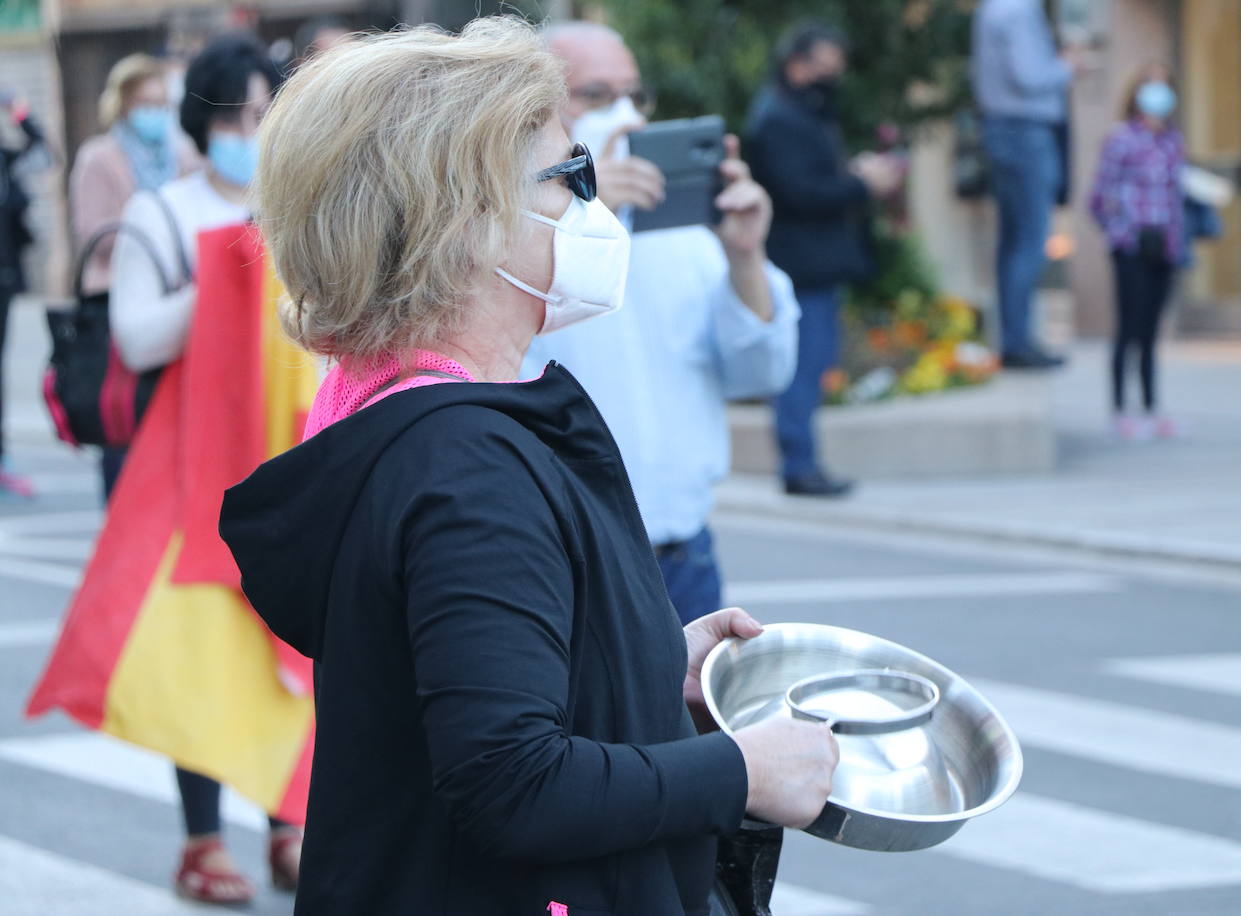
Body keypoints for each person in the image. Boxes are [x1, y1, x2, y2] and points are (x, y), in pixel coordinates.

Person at [218, 20, 838, 915]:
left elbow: (464, 695)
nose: (594, 206)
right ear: (465, 224)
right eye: (570, 178)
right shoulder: (465, 460)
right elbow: (511, 784)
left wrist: (646, 661)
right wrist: (741, 769)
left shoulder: (410, 421)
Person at [107, 34, 301, 906]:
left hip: (284, 458)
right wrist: (226, 276)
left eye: (264, 113)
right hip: (188, 469)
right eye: (236, 114)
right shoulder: (165, 212)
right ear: (204, 119)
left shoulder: (296, 209)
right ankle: (202, 839)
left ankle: (288, 825)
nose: (250, 131)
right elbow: (138, 337)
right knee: (202, 655)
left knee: (292, 646)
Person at [524, 22, 799, 625]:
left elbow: (761, 371)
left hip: (682, 558)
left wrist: (745, 256)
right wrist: (578, 206)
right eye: (595, 95)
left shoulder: (687, 235)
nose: (624, 114)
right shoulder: (508, 229)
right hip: (558, 562)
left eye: (635, 96)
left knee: (690, 720)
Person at [746, 22, 902, 498]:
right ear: (797, 64)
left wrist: (852, 174)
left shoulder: (799, 112)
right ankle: (799, 464)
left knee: (812, 365)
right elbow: (799, 192)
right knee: (800, 368)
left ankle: (804, 461)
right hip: (800, 265)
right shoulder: (778, 118)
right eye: (825, 65)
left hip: (815, 262)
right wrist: (862, 185)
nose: (833, 75)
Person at [69, 54, 201, 496]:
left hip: (176, 302)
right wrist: (151, 226)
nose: (153, 112)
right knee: (123, 415)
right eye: (144, 101)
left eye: (161, 102)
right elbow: (94, 231)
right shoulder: (99, 158)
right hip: (115, 301)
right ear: (122, 104)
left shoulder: (181, 153)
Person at [973, 0, 1080, 369]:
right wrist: (1068, 67)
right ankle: (1018, 342)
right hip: (1023, 131)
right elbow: (1029, 76)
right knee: (1030, 240)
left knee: (1014, 242)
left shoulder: (996, 8)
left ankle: (1014, 339)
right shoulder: (1017, 10)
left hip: (1007, 130)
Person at [1089, 63, 1186, 441]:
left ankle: (1151, 409)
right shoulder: (1120, 140)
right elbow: (1098, 199)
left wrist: (1176, 242)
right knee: (1127, 329)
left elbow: (1176, 198)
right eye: (1151, 85)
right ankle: (1119, 411)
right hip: (1130, 247)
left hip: (1164, 248)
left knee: (1150, 333)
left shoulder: (1173, 142)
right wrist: (1123, 232)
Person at [0, 91, 46, 498]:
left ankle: (2, 457)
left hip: (4, 280)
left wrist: (17, 108)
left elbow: (42, 148)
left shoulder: (5, 159)